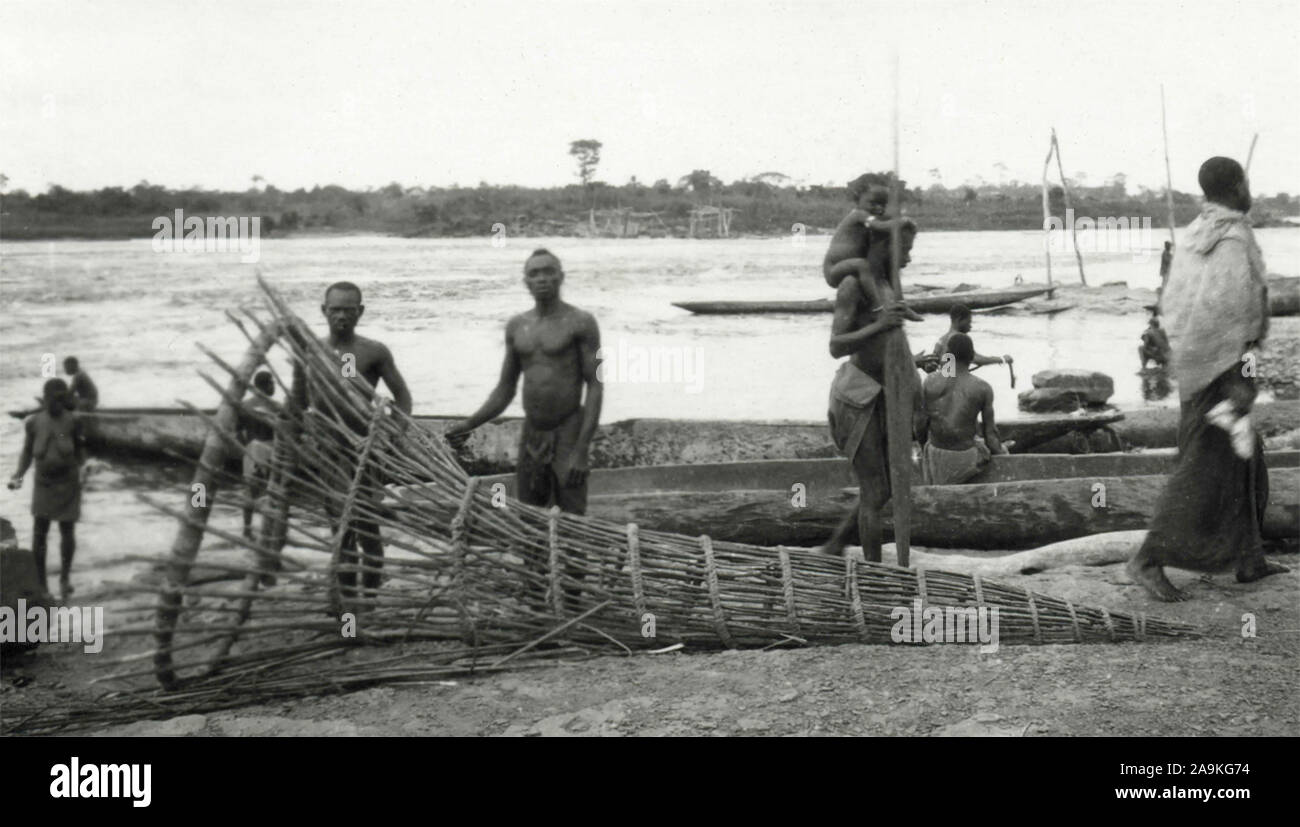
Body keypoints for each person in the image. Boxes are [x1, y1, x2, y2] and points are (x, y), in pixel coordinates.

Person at [1127, 156, 1286, 601]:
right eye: (1247, 182)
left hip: (1196, 362)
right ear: (1237, 185)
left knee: (1248, 458)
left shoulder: (1198, 233)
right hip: (1220, 368)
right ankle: (1146, 559)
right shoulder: (1231, 238)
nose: (1249, 189)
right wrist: (1239, 374)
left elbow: (1180, 303)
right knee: (1202, 469)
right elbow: (1232, 311)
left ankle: (1249, 557)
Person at [447, 249, 603, 519]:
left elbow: (596, 385)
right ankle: (535, 563)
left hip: (568, 428)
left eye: (548, 272)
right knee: (530, 514)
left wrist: (581, 449)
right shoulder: (517, 326)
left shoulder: (581, 322)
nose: (542, 279)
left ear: (561, 277)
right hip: (533, 431)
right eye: (534, 273)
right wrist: (469, 424)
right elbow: (505, 389)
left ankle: (574, 562)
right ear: (525, 282)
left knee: (573, 514)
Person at [298, 281, 413, 600]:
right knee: (341, 530)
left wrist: (395, 433)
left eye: (349, 309)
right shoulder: (310, 351)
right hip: (328, 453)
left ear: (360, 311)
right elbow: (296, 402)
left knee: (368, 529)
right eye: (335, 309)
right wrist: (292, 438)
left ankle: (369, 601)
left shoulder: (373, 351)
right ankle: (349, 610)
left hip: (364, 454)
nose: (342, 316)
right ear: (324, 311)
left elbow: (402, 396)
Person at [819, 221, 921, 561]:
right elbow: (836, 345)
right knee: (874, 490)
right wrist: (881, 324)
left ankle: (836, 545)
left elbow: (889, 340)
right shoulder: (852, 285)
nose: (907, 259)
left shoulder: (885, 284)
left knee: (888, 487)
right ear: (885, 248)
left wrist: (914, 361)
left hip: (881, 395)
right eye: (904, 250)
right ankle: (873, 573)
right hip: (856, 397)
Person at [8, 378, 86, 601]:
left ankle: (64, 578)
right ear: (45, 399)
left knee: (67, 531)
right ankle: (41, 583)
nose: (56, 403)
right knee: (39, 532)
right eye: (52, 399)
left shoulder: (73, 422)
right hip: (43, 484)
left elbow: (81, 452)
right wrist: (18, 474)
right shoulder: (33, 423)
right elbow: (26, 452)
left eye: (60, 399)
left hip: (68, 482)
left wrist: (88, 468)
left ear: (64, 399)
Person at [822, 177, 925, 320]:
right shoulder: (859, 215)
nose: (878, 208)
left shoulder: (870, 218)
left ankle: (901, 304)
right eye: (873, 203)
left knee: (890, 268)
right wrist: (903, 221)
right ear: (858, 199)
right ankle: (877, 307)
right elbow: (880, 226)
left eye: (883, 204)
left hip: (852, 266)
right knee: (862, 265)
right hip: (834, 270)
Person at [915, 333, 1007, 484]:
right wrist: (1002, 453)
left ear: (948, 356)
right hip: (965, 456)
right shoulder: (983, 388)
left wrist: (923, 447)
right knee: (987, 449)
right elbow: (991, 437)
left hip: (935, 454)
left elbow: (919, 424)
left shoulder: (929, 381)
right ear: (971, 357)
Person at [237, 370, 278, 540]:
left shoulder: (244, 405)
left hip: (251, 449)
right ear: (266, 385)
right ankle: (266, 531)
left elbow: (238, 432)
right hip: (268, 450)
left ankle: (247, 529)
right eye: (272, 383)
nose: (274, 386)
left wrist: (245, 448)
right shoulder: (274, 407)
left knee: (250, 490)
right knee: (270, 491)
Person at [928, 305, 1012, 371]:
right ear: (958, 319)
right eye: (968, 322)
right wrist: (1002, 359)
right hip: (957, 384)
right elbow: (976, 359)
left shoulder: (940, 340)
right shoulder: (959, 339)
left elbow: (931, 365)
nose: (970, 326)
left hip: (943, 382)